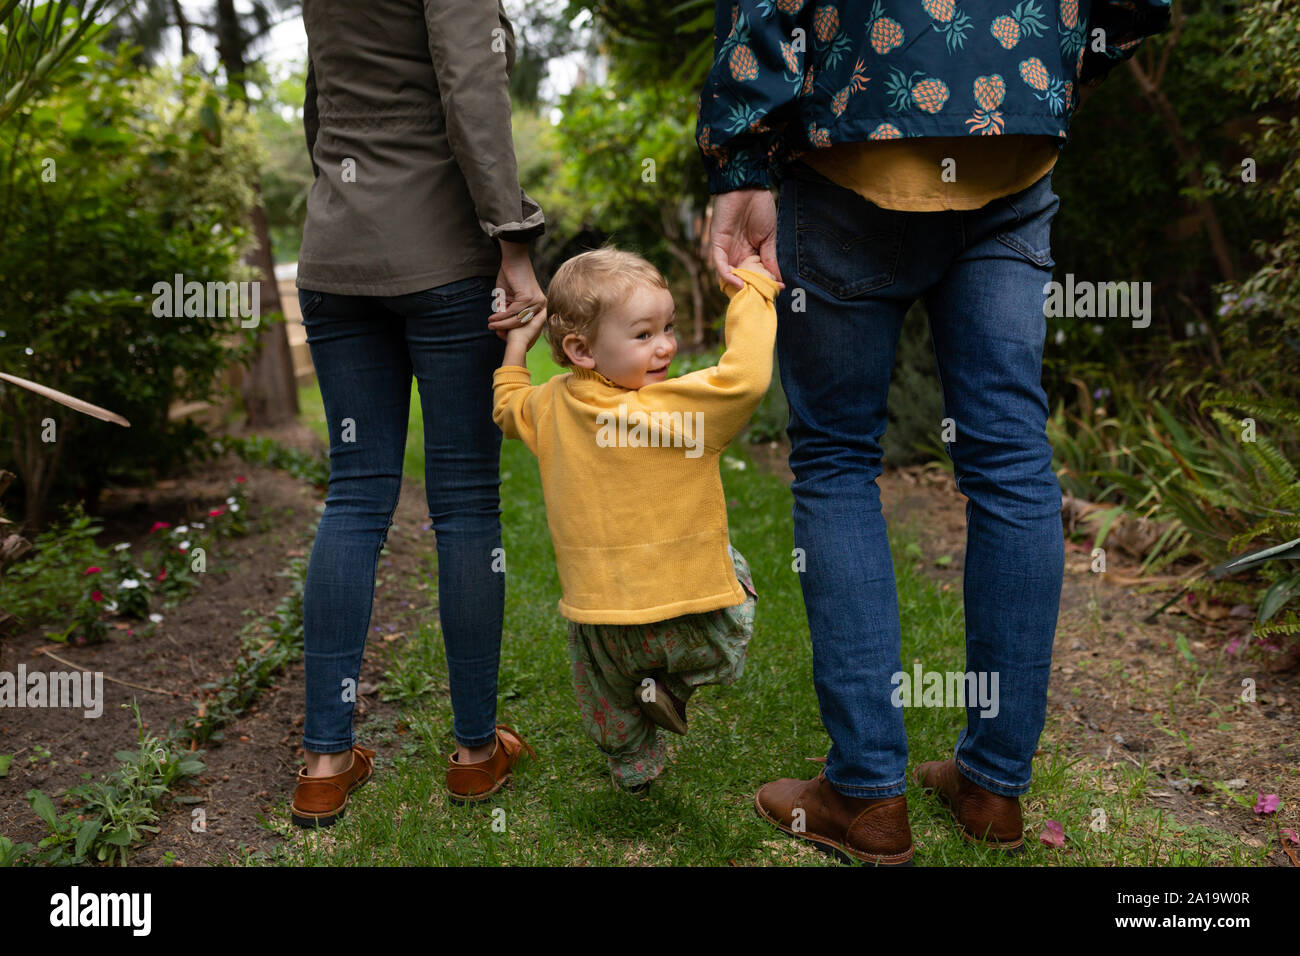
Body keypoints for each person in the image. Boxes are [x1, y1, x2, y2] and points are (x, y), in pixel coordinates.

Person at [697, 0, 1172, 863]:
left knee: (839, 458)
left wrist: (742, 155)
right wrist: (1055, 70)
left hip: (856, 131)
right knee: (1011, 457)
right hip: (1010, 148)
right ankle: (993, 786)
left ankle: (867, 795)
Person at [289, 0, 547, 827]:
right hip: (441, 257)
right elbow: (471, 83)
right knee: (466, 501)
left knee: (356, 493)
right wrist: (513, 236)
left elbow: (318, 102)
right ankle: (475, 752)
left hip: (337, 254)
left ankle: (325, 762)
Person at [491, 245, 780, 790]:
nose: (667, 345)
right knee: (733, 601)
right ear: (581, 349)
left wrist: (516, 343)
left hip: (597, 609)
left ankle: (632, 765)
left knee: (604, 693)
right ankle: (675, 687)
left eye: (667, 327)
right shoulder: (672, 411)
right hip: (685, 603)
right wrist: (751, 291)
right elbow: (745, 378)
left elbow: (507, 406)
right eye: (644, 335)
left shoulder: (550, 405)